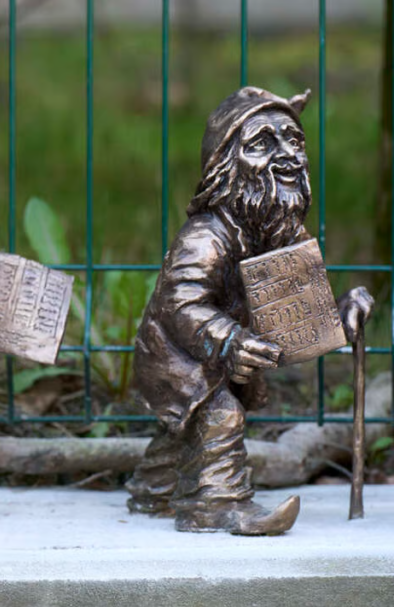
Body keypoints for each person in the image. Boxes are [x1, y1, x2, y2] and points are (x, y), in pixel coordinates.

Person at [127, 87, 373, 535]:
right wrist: (228, 339)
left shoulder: (284, 230)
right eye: (262, 143)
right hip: (179, 355)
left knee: (186, 428)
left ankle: (154, 491)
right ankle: (217, 506)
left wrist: (343, 312)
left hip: (228, 354)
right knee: (220, 416)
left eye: (293, 141)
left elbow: (305, 314)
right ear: (225, 165)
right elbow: (180, 302)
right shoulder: (206, 236)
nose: (287, 155)